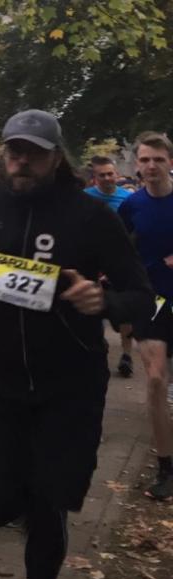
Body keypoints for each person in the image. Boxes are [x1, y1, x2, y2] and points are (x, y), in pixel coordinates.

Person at [0, 109, 154, 579]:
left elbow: (141, 294)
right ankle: (22, 494)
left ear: (56, 158)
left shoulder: (90, 216)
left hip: (69, 386)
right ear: (3, 152)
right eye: (15, 151)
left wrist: (104, 301)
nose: (22, 161)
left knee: (48, 505)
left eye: (35, 153)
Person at [118, 131, 173, 500]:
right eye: (145, 160)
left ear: (170, 162)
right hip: (151, 301)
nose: (151, 166)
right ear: (137, 165)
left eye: (158, 159)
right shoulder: (131, 206)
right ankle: (166, 466)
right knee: (155, 379)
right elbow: (117, 249)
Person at [83, 155, 137, 378]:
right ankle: (97, 348)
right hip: (90, 261)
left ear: (117, 174)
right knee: (92, 308)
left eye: (110, 174)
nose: (107, 178)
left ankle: (126, 355)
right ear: (95, 178)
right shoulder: (85, 197)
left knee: (124, 311)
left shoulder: (128, 199)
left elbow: (134, 231)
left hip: (118, 262)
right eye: (102, 175)